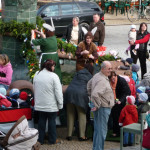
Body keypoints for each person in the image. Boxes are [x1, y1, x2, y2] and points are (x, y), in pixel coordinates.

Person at [33, 59, 63, 145]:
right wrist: (60, 104)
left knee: (41, 121)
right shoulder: (54, 76)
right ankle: (52, 140)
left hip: (40, 104)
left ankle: (40, 140)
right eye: (53, 66)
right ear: (50, 66)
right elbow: (58, 92)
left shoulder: (37, 74)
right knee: (51, 122)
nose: (54, 68)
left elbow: (34, 88)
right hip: (51, 105)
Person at [87, 61, 114, 150]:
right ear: (103, 69)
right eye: (109, 69)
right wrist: (97, 104)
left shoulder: (97, 75)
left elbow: (89, 85)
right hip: (103, 108)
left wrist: (92, 100)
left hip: (100, 107)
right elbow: (95, 94)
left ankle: (96, 148)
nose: (110, 70)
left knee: (98, 130)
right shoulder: (102, 80)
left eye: (111, 68)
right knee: (101, 131)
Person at [64, 64, 94, 141]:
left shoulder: (77, 73)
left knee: (70, 114)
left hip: (69, 93)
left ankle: (69, 135)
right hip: (80, 95)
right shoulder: (90, 76)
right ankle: (82, 136)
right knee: (82, 115)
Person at [109, 71, 131, 137]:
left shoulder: (121, 81)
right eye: (111, 79)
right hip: (114, 100)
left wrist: (121, 100)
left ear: (116, 76)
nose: (112, 81)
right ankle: (115, 131)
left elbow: (126, 92)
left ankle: (119, 132)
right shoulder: (109, 81)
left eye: (113, 79)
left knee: (119, 116)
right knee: (114, 115)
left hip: (122, 100)